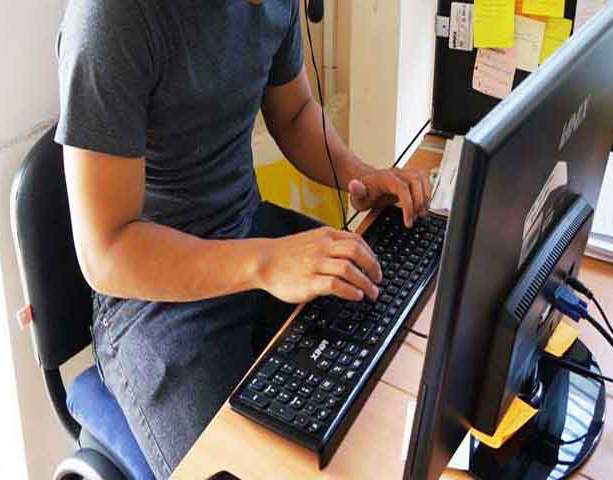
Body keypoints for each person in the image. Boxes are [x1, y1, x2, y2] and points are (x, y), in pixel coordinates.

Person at [56, 0, 431, 477]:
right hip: (153, 297)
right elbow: (106, 251)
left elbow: (294, 112)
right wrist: (266, 262)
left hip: (251, 231)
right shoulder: (114, 18)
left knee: (397, 332)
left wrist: (361, 174)